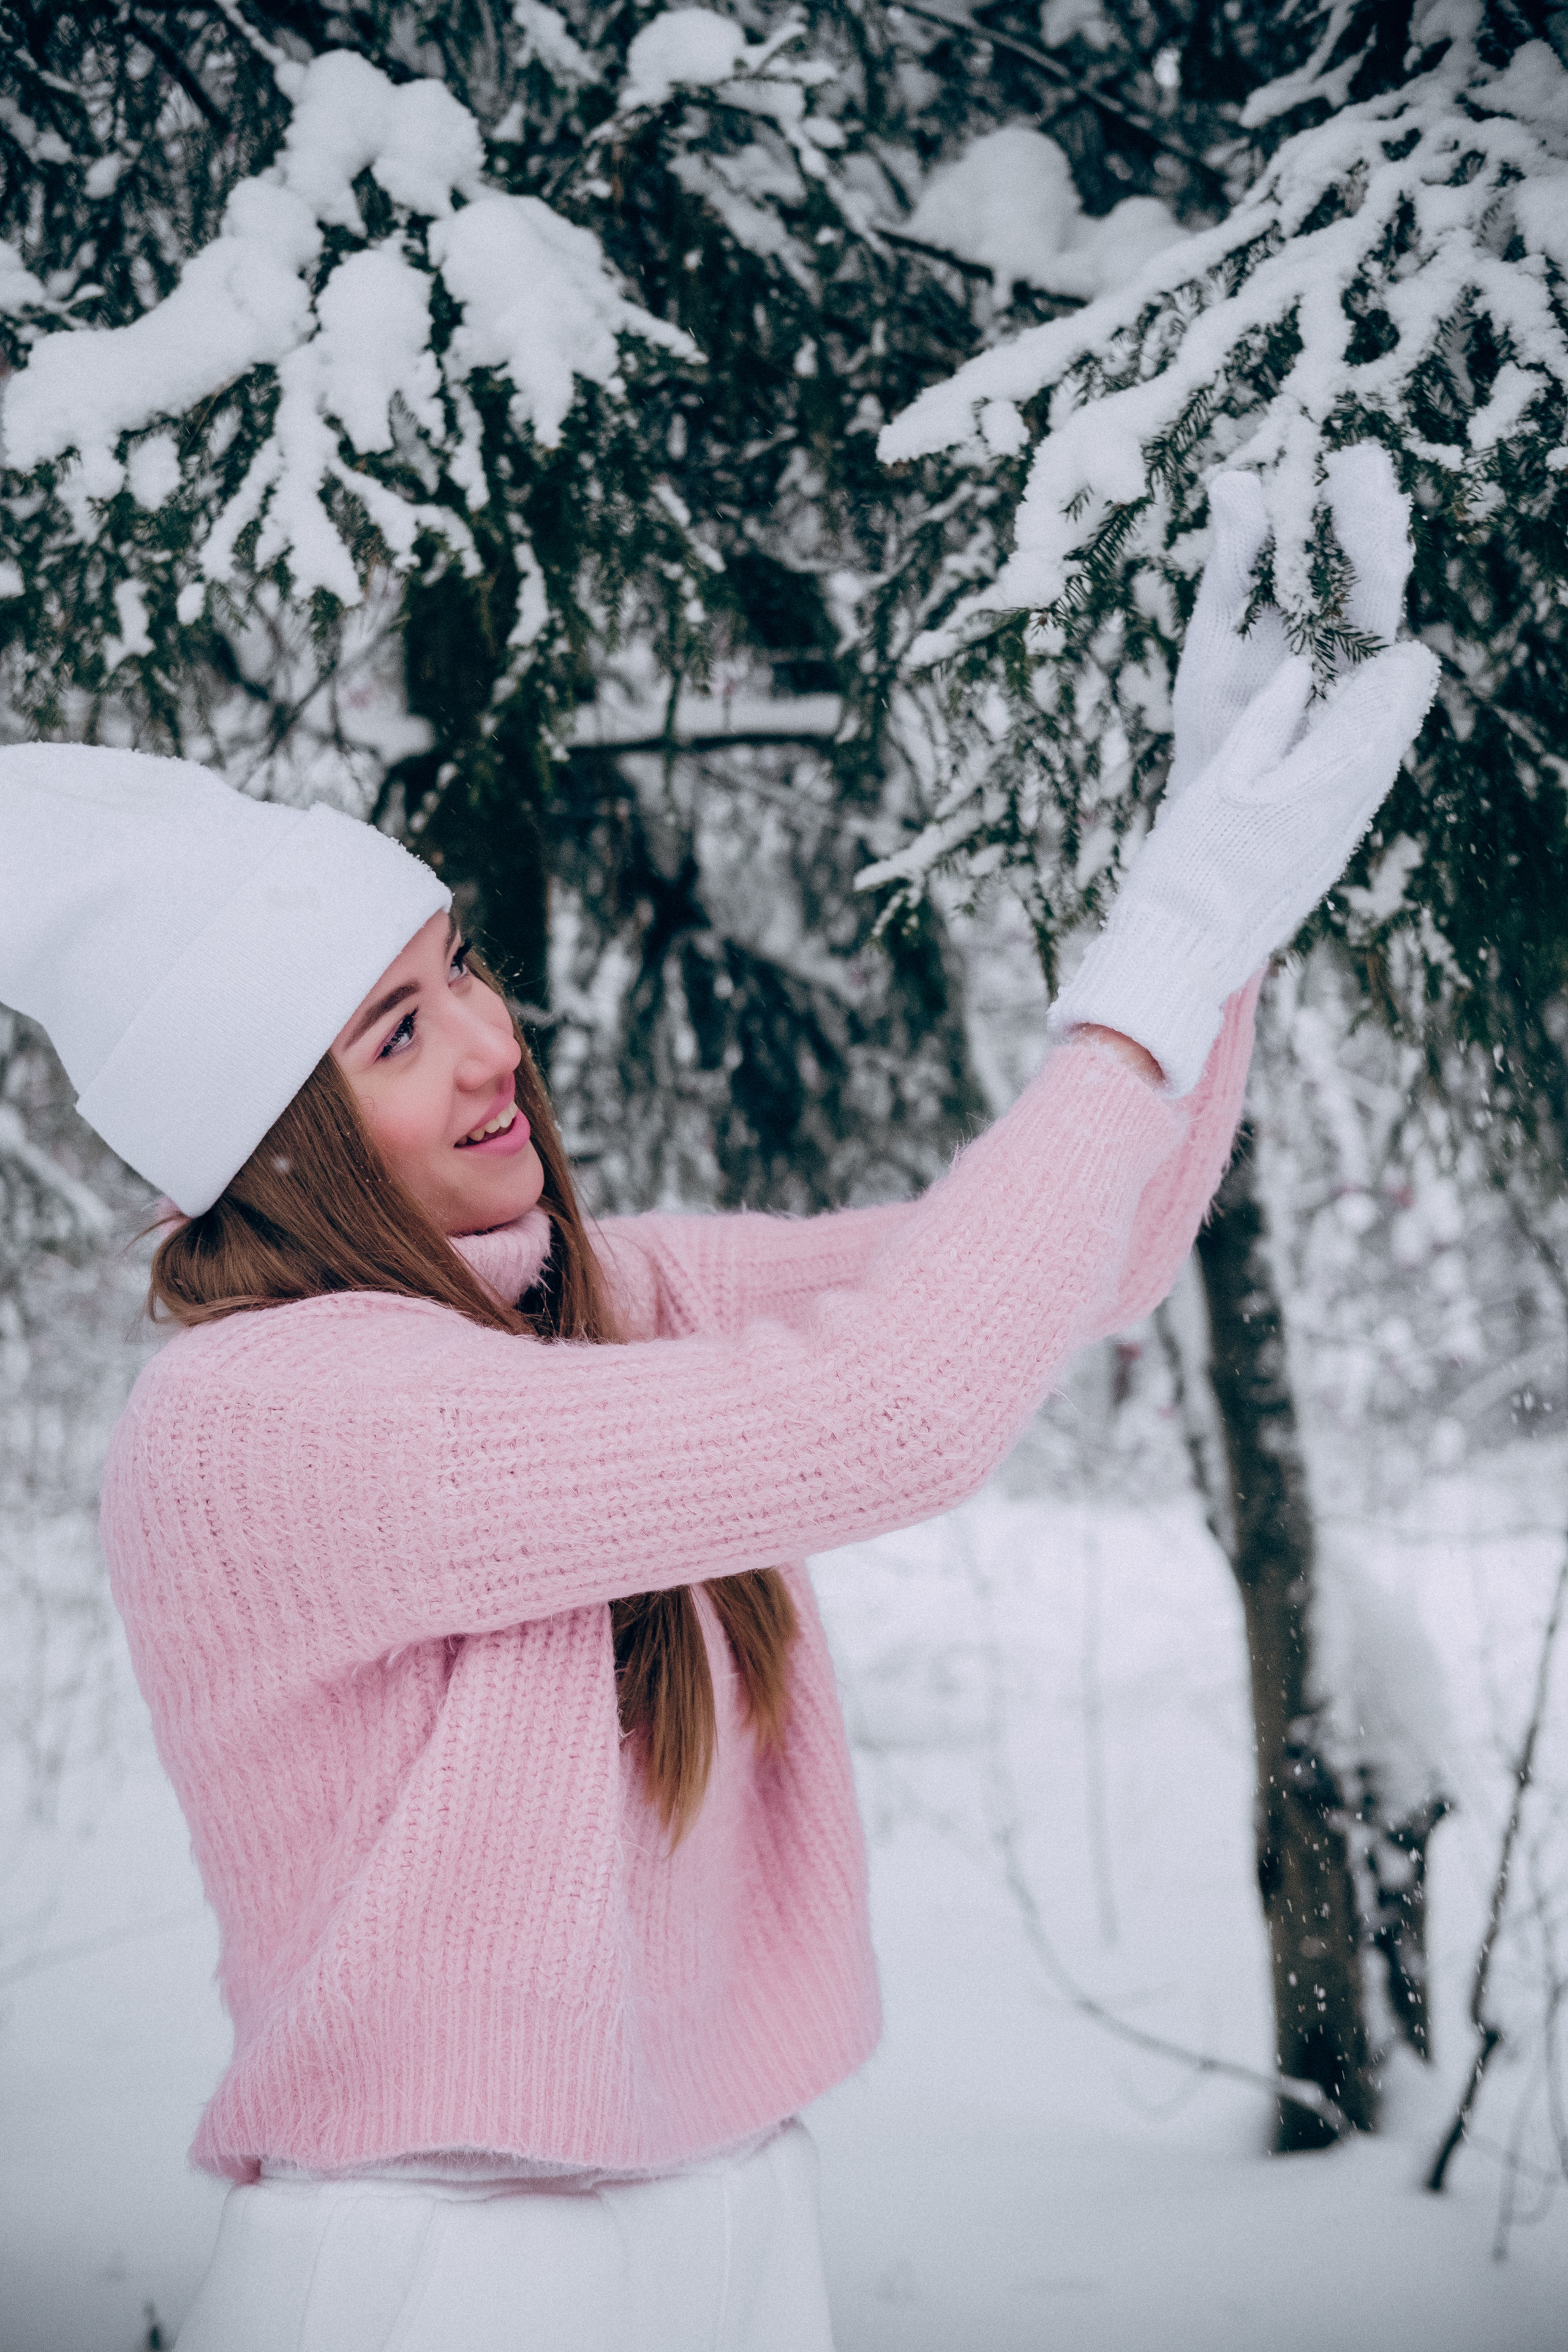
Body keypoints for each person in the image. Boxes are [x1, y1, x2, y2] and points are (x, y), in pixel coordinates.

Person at [0, 453, 1434, 2351]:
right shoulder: (272, 1425)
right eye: (398, 1034)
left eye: (461, 974)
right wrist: (1144, 972)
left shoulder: (598, 1303)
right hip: (438, 2278)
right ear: (271, 1140)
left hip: (723, 2230)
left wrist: (1214, 892)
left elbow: (1071, 1267)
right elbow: (893, 1415)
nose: (497, 1042)